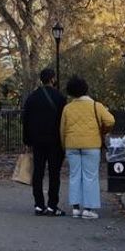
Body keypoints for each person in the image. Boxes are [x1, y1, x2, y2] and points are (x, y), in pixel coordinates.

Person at [59, 76, 115, 219]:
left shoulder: (68, 108)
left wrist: (64, 145)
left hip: (72, 144)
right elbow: (110, 120)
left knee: (74, 176)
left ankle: (76, 208)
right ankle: (88, 209)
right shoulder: (96, 106)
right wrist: (102, 131)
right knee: (90, 176)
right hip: (91, 144)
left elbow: (62, 129)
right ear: (86, 89)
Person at [21, 68, 67, 216]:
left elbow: (25, 120)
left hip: (37, 140)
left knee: (38, 172)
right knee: (54, 173)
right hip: (55, 141)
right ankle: (52, 205)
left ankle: (39, 204)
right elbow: (64, 121)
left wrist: (27, 140)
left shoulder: (32, 97)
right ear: (53, 79)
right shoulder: (59, 97)